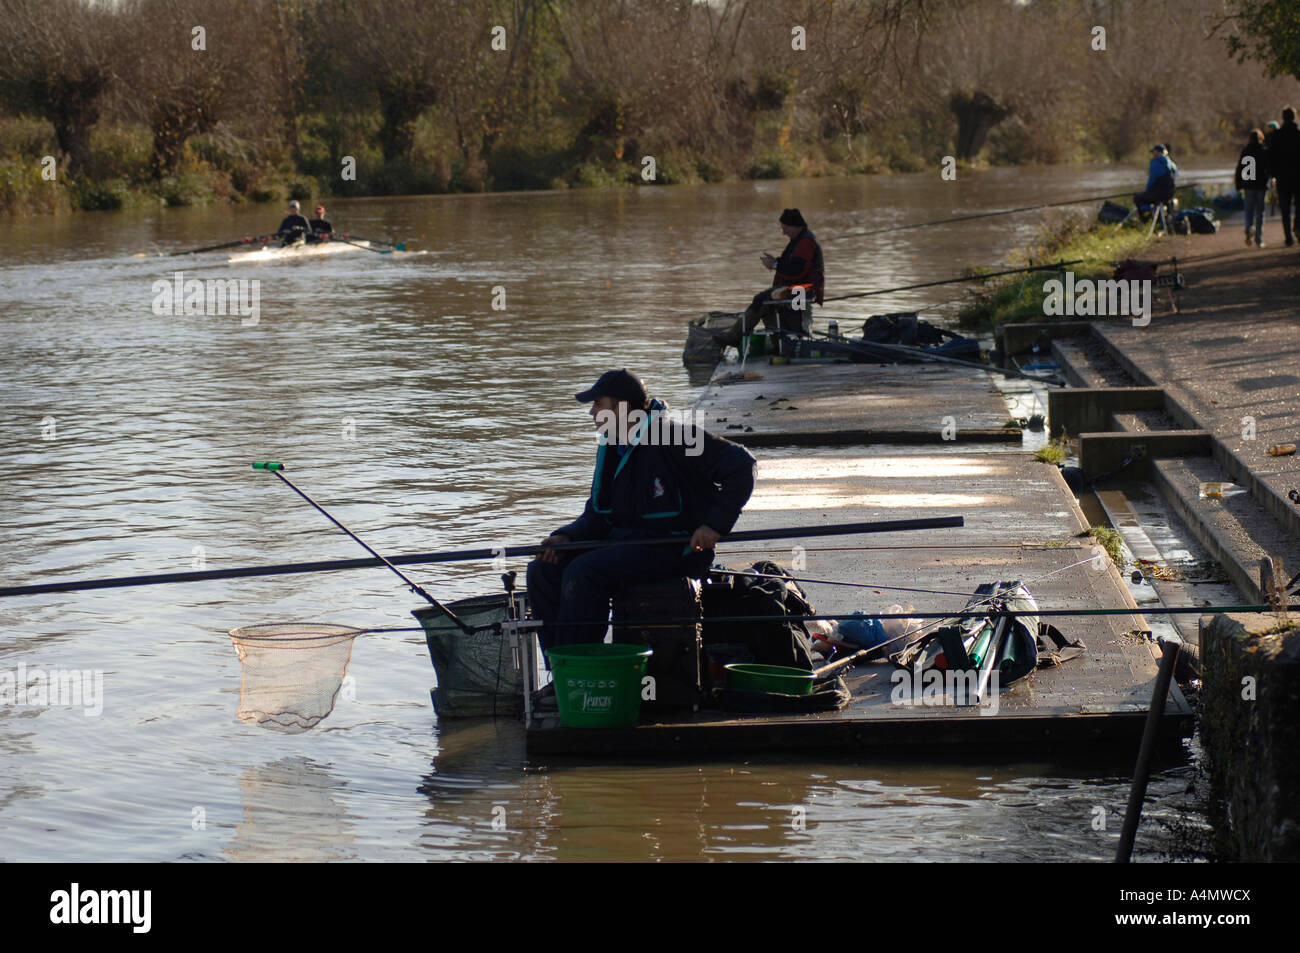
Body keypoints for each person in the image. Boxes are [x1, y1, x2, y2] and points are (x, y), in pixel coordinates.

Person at [526, 369, 756, 657]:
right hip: (627, 545)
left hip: (676, 549)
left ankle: (582, 663)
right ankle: (560, 670)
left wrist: (714, 525)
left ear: (622, 408)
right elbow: (599, 516)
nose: (592, 412)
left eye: (598, 404)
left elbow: (741, 465)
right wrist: (565, 536)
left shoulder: (674, 435)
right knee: (542, 569)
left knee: (584, 571)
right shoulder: (612, 447)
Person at [742, 208, 825, 335]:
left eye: (786, 228)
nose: (783, 233)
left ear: (796, 226)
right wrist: (775, 262)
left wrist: (775, 264)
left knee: (763, 300)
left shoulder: (806, 243)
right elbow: (790, 264)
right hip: (795, 289)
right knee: (763, 302)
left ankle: (733, 337)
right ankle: (778, 340)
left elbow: (797, 271)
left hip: (802, 290)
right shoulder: (798, 240)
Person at [1269, 107, 1300, 245]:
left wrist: (1273, 174)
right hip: (1298, 177)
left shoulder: (1276, 136)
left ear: (1283, 118)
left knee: (1285, 209)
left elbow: (1271, 157)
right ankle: (1298, 227)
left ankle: (1288, 237)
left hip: (1282, 178)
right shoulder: (1298, 134)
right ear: (1295, 117)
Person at [1236, 129, 1269, 247]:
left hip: (1248, 185)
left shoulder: (1246, 151)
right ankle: (1259, 239)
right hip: (1261, 185)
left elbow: (1240, 168)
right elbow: (1268, 168)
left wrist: (1238, 184)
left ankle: (1249, 227)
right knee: (1260, 212)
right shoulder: (1264, 150)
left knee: (1249, 210)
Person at [1133, 143, 1177, 209]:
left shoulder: (1156, 163)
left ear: (1158, 152)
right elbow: (1175, 176)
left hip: (1160, 194)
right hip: (1171, 193)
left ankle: (1145, 217)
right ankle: (1161, 213)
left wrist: (1146, 191)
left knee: (1137, 198)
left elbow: (1151, 180)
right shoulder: (1171, 163)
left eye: (1153, 152)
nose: (1152, 154)